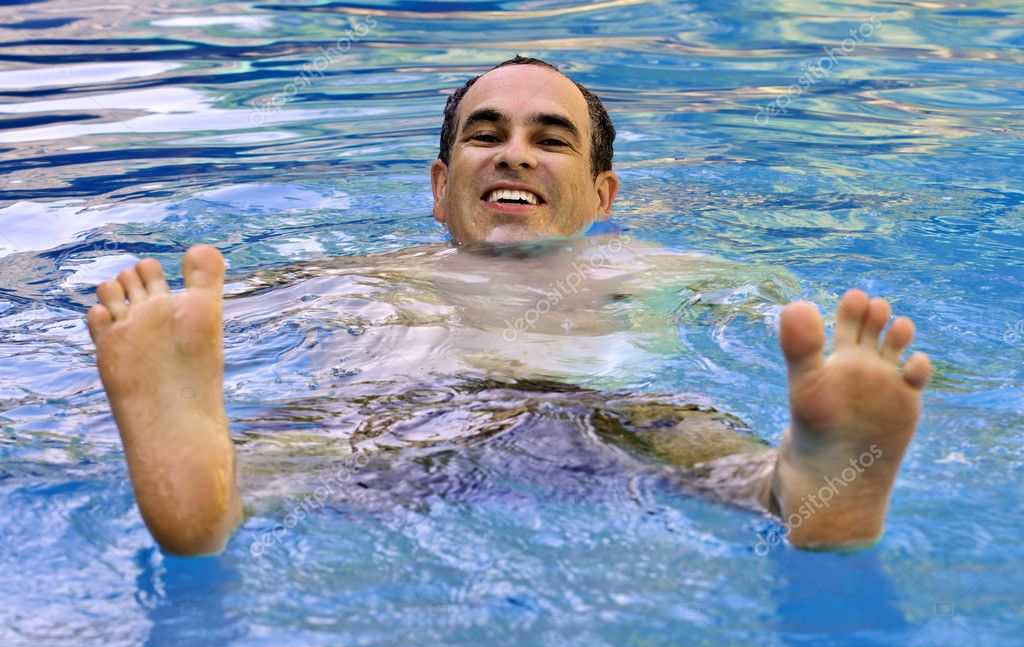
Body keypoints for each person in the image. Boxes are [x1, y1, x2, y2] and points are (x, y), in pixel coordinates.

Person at [86, 56, 931, 556]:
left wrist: (863, 390)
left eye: (549, 139)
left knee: (693, 428)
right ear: (439, 183)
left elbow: (816, 350)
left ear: (602, 193)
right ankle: (206, 491)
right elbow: (187, 325)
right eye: (485, 136)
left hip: (604, 420)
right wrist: (168, 361)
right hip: (392, 421)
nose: (514, 156)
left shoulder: (673, 269)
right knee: (308, 438)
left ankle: (812, 480)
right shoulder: (356, 273)